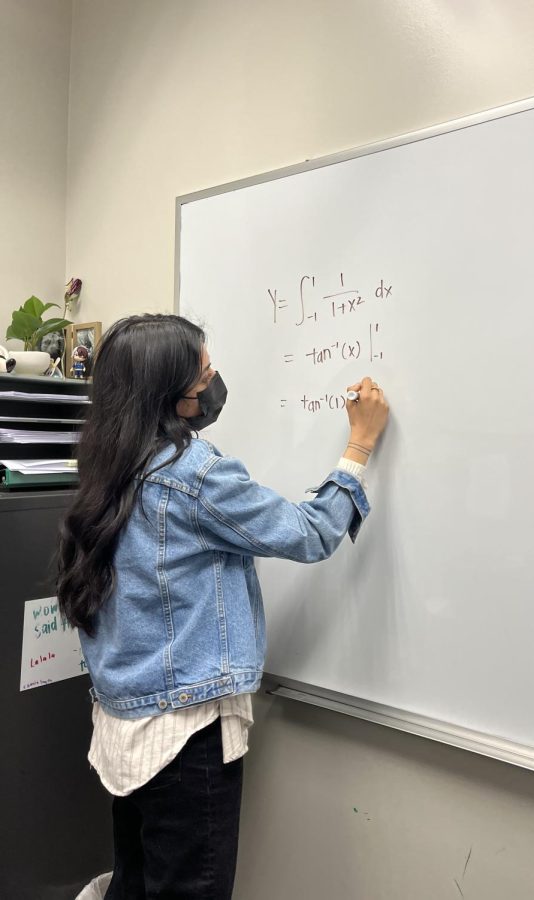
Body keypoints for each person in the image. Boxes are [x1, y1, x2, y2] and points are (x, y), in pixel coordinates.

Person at [56, 313, 389, 899]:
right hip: (184, 736)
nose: (214, 380)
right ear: (174, 398)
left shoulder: (106, 463)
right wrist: (358, 446)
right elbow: (309, 533)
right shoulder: (193, 474)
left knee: (133, 884)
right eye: (204, 371)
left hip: (122, 725)